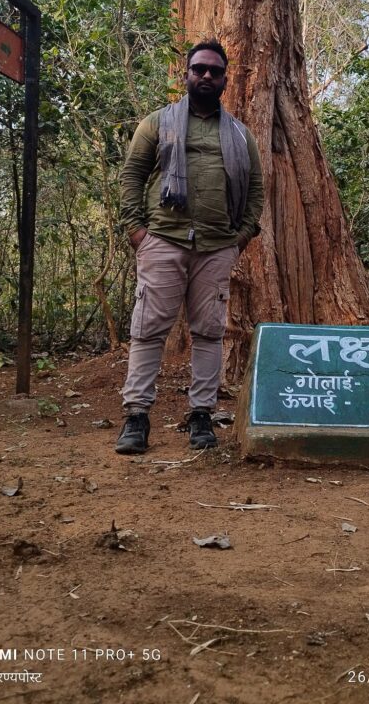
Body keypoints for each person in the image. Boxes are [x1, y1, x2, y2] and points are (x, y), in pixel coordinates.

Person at [116, 40, 264, 455]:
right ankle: (136, 416)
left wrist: (240, 238)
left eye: (215, 71)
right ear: (186, 74)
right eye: (199, 69)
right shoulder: (157, 123)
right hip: (163, 239)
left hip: (217, 246)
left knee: (209, 332)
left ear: (225, 80)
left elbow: (255, 190)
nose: (206, 76)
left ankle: (201, 415)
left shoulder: (240, 135)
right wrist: (137, 232)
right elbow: (132, 175)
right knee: (148, 330)